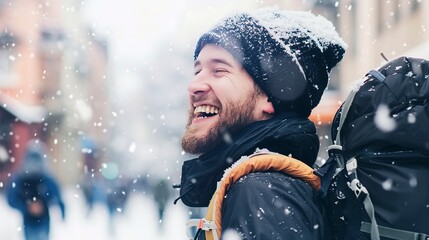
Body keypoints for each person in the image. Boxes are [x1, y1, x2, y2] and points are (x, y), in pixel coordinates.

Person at [176, 8, 347, 239]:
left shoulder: (261, 192)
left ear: (270, 97)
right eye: (197, 70)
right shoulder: (263, 186)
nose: (194, 85)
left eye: (219, 70)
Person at [6, 139, 66, 240]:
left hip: (43, 220)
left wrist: (59, 209)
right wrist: (27, 207)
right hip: (29, 221)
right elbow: (11, 198)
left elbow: (57, 196)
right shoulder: (21, 178)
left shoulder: (46, 178)